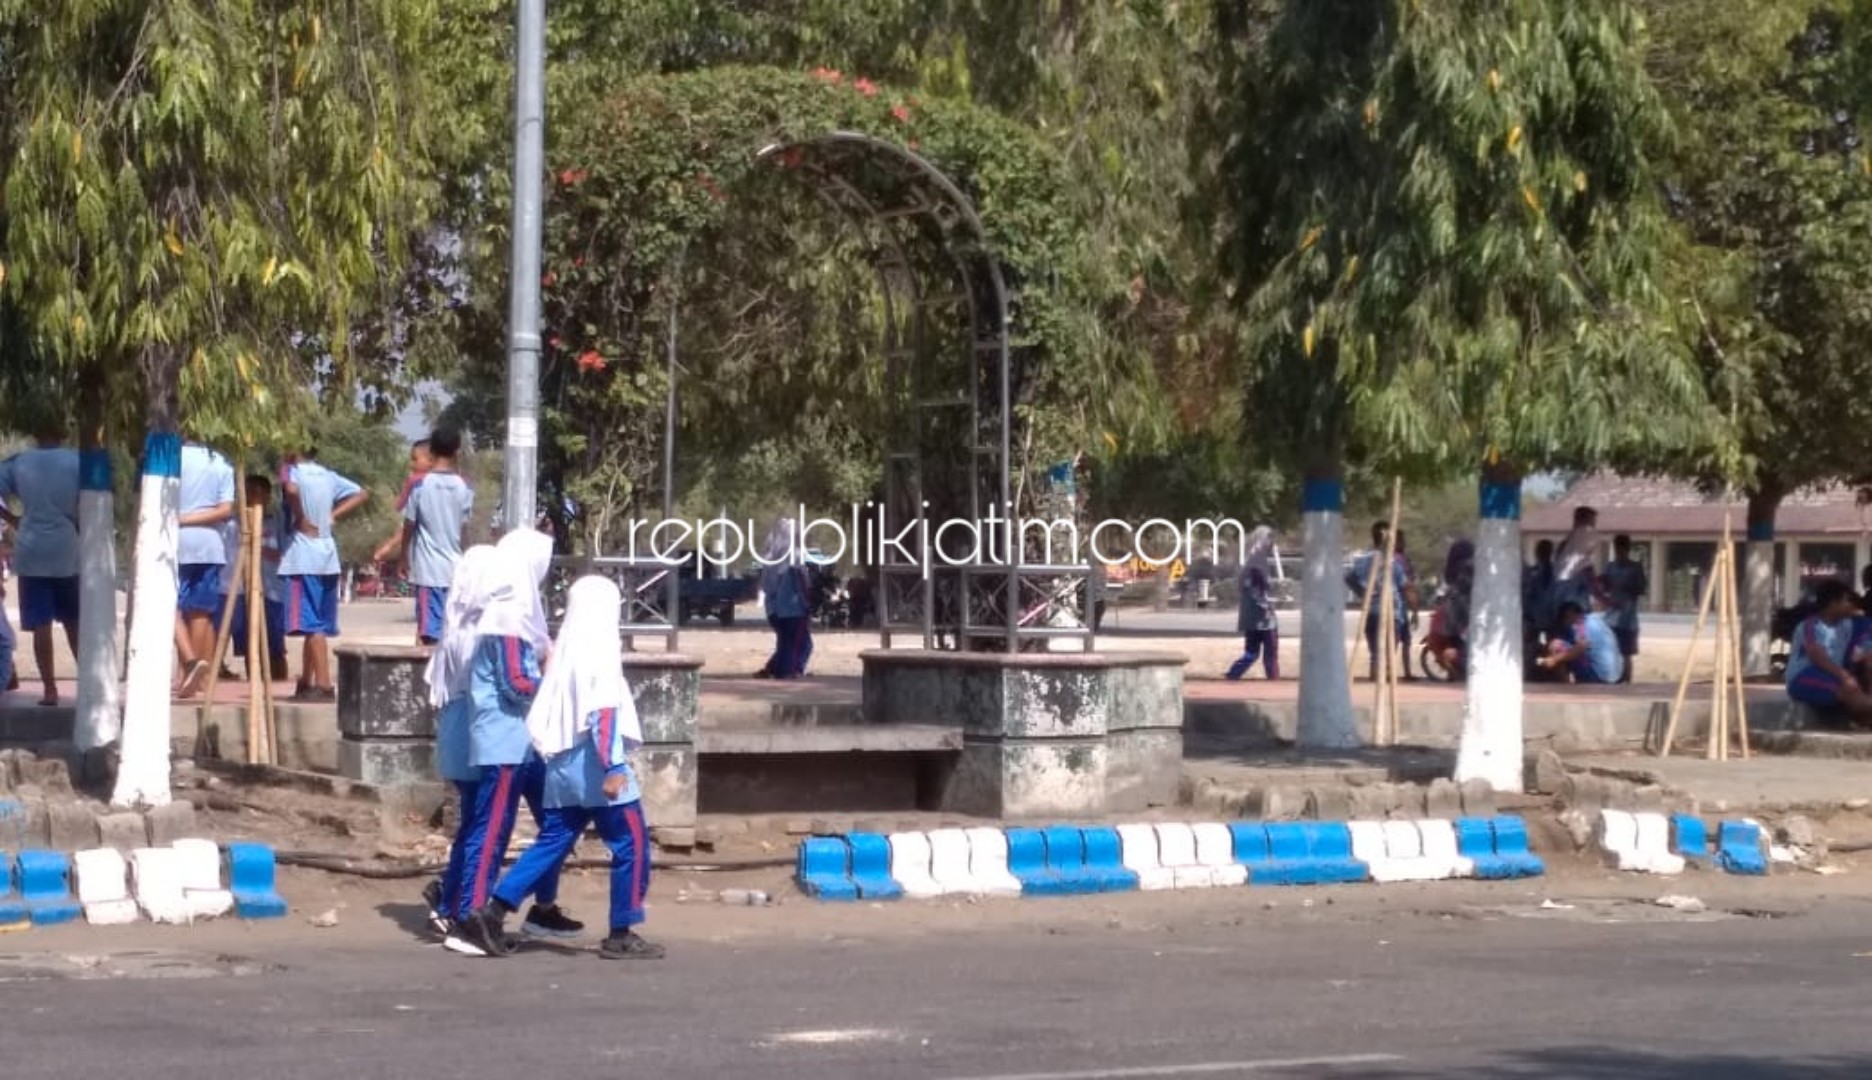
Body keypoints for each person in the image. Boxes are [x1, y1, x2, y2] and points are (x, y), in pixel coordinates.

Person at [476, 576, 665, 961]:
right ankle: (621, 930)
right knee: (632, 844)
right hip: (598, 765)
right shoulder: (601, 653)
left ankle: (494, 910)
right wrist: (614, 766)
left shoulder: (565, 654)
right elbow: (604, 714)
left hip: (562, 765)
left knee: (553, 842)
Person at [446, 526, 579, 958]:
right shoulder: (505, 618)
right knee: (490, 831)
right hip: (504, 740)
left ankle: (535, 903)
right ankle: (470, 915)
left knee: (558, 818)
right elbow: (516, 683)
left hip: (521, 741)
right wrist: (558, 685)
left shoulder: (516, 616)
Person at [421, 544, 499, 939]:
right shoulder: (483, 632)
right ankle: (459, 903)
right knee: (479, 826)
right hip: (477, 731)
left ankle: (450, 898)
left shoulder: (453, 628)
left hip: (455, 730)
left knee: (470, 823)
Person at [0, 423, 81, 706]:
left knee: (41, 625)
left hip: (32, 549)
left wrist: (13, 519)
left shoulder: (19, 462)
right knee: (74, 622)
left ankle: (49, 689)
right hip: (67, 549)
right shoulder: (76, 461)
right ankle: (88, 683)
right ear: (63, 432)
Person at [277, 449, 368, 701]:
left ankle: (325, 684)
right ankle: (306, 680)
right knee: (315, 624)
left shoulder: (290, 470)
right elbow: (361, 493)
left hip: (301, 555)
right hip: (327, 555)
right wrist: (331, 516)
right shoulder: (328, 475)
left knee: (311, 623)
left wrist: (300, 516)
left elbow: (292, 490)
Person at [388, 428, 473, 645]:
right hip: (455, 570)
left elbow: (409, 524)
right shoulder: (464, 487)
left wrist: (403, 556)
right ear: (456, 452)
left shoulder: (420, 486)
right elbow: (464, 530)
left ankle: (427, 678)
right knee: (451, 632)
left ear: (432, 451)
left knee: (427, 634)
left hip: (428, 572)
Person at [229, 474, 289, 682]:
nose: (253, 498)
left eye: (257, 493)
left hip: (272, 591)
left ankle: (278, 682)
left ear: (266, 496)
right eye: (248, 493)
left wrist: (258, 548)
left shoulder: (277, 522)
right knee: (249, 644)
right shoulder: (235, 523)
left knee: (274, 646)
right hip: (243, 591)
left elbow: (284, 554)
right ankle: (254, 681)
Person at [1785, 579, 1872, 718]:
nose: (1851, 605)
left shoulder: (1846, 625)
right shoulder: (1810, 625)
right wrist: (1845, 676)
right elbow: (1817, 656)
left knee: (1850, 688)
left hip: (1832, 676)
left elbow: (1867, 631)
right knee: (1847, 690)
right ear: (1833, 603)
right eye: (1847, 600)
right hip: (1804, 677)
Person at [1351, 522, 1417, 681]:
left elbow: (1349, 577)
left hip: (1370, 610)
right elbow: (1406, 587)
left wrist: (1363, 592)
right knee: (1388, 650)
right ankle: (1382, 678)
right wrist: (1414, 609)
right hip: (1390, 611)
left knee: (1375, 651)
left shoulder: (1362, 560)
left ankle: (1375, 677)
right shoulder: (1392, 562)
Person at [756, 517, 812, 679]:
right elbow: (802, 581)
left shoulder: (770, 557)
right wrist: (808, 601)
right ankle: (791, 670)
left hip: (774, 609)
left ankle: (774, 668)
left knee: (785, 642)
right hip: (793, 609)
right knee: (802, 644)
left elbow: (765, 586)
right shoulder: (795, 555)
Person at [1226, 526, 1280, 681]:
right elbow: (1256, 591)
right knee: (1270, 651)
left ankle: (1234, 673)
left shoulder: (1251, 560)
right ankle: (1273, 680)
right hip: (1263, 618)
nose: (1271, 544)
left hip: (1252, 616)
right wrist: (1266, 606)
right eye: (1269, 539)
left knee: (1252, 651)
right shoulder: (1256, 564)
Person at [373, 439, 433, 566]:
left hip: (425, 560)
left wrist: (389, 546)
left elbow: (408, 522)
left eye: (415, 459)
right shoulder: (456, 485)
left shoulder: (418, 485)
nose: (411, 464)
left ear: (431, 461)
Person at [1538, 600, 1624, 684]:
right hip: (1615, 675)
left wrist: (1554, 659)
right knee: (1569, 649)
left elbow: (1581, 647)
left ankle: (1566, 688)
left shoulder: (1579, 625)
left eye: (1564, 619)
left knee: (1556, 646)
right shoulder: (1594, 618)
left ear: (1569, 615)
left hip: (1600, 677)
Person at [1602, 534, 1648, 685]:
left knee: (1626, 653)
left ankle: (1627, 682)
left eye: (1622, 549)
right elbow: (1605, 588)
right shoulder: (1610, 567)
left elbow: (1641, 589)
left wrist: (1629, 585)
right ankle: (1613, 679)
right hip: (1611, 618)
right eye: (1617, 549)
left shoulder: (1635, 568)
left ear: (1627, 549)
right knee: (1611, 652)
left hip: (1628, 619)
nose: (1619, 553)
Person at [1553, 506, 1603, 612]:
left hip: (1560, 592)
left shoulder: (1566, 544)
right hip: (1573, 597)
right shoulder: (1585, 535)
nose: (1593, 525)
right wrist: (1604, 599)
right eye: (1592, 521)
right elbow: (1587, 572)